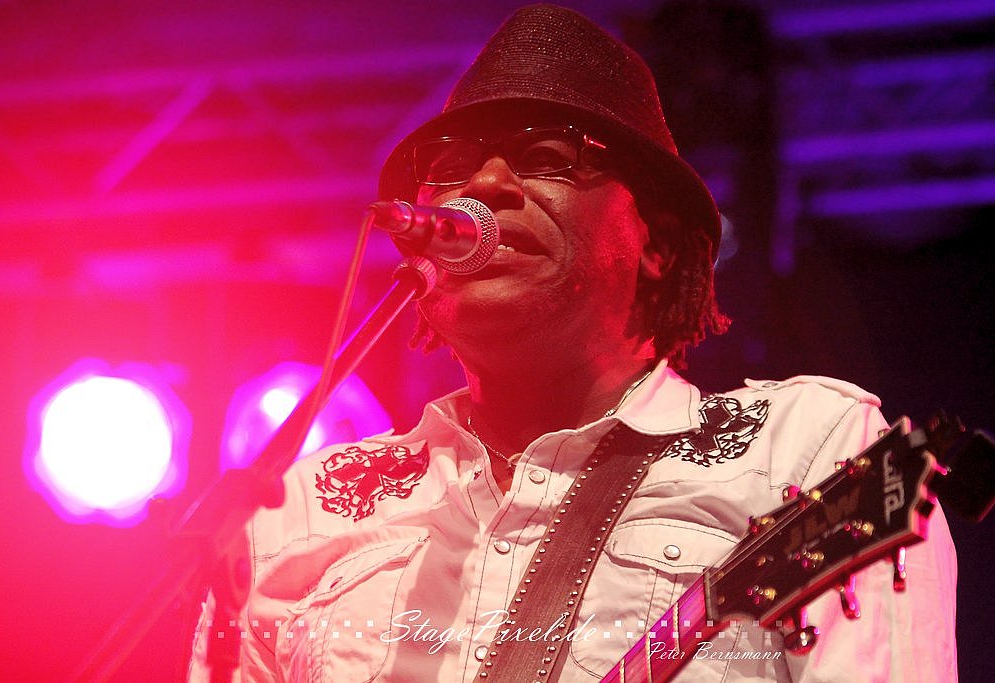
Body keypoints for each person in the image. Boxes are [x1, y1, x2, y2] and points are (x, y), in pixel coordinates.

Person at [189, 4, 957, 681]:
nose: (483, 187)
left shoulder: (808, 453)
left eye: (547, 156)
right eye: (448, 167)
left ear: (656, 242)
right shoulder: (296, 509)